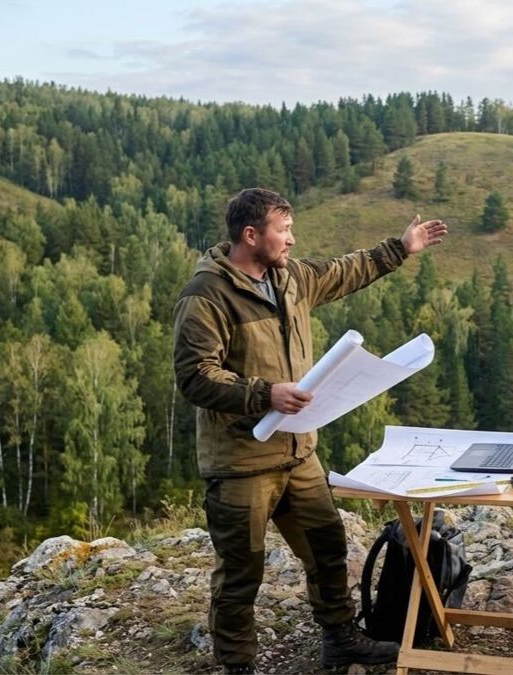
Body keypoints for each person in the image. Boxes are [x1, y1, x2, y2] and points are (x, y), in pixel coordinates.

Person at [173, 187, 447, 674]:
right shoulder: (206, 295)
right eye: (284, 230)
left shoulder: (290, 278)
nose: (292, 239)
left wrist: (401, 248)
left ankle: (340, 641)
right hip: (241, 462)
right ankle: (237, 666)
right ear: (251, 235)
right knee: (240, 574)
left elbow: (344, 271)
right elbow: (195, 376)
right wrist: (265, 394)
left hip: (299, 454)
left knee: (327, 549)